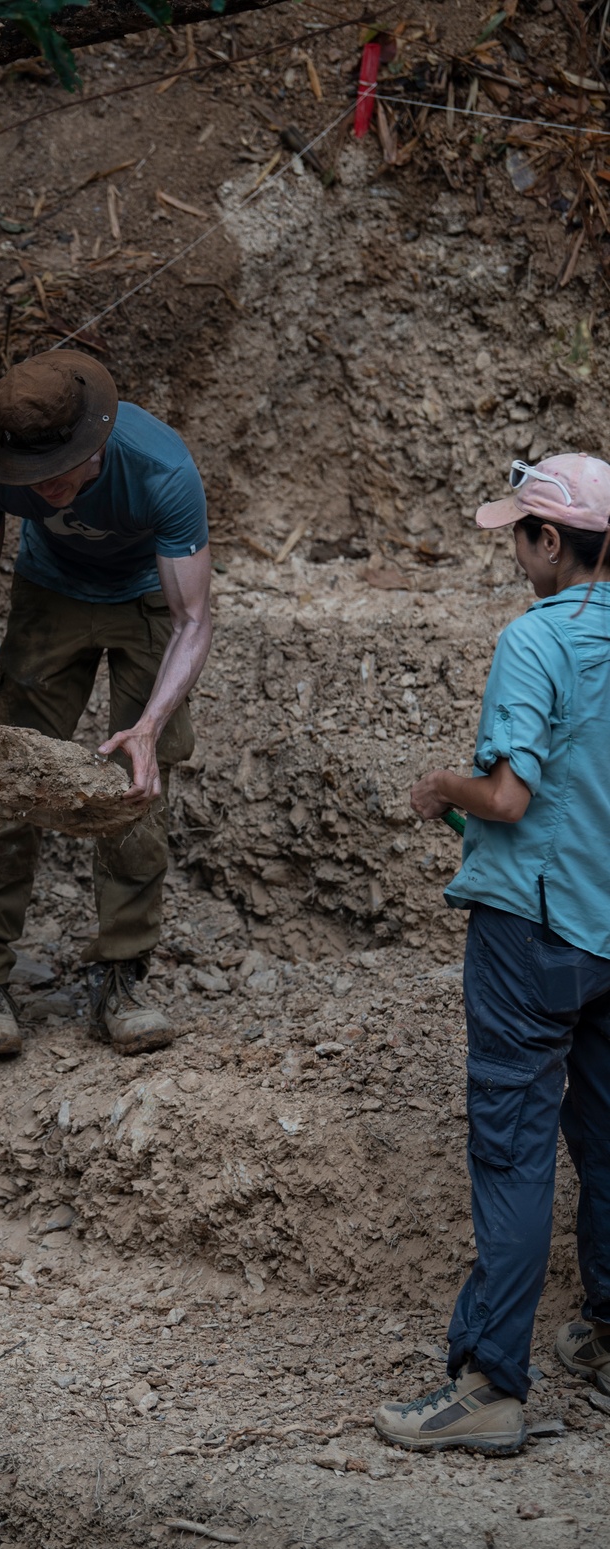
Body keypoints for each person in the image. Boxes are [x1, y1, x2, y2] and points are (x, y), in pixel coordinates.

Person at [374, 453, 610, 1455]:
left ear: (550, 542)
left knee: (511, 1148)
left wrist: (439, 787)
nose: (513, 551)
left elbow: (508, 797)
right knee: (605, 1133)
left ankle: (489, 1385)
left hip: (534, 931)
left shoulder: (532, 642)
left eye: (518, 533)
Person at [0, 349, 212, 1059]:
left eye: (60, 472)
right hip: (50, 594)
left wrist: (147, 726)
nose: (47, 489)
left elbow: (193, 620)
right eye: (33, 479)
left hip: (149, 600)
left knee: (136, 788)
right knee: (12, 779)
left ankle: (121, 977)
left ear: (97, 443)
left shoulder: (162, 471)